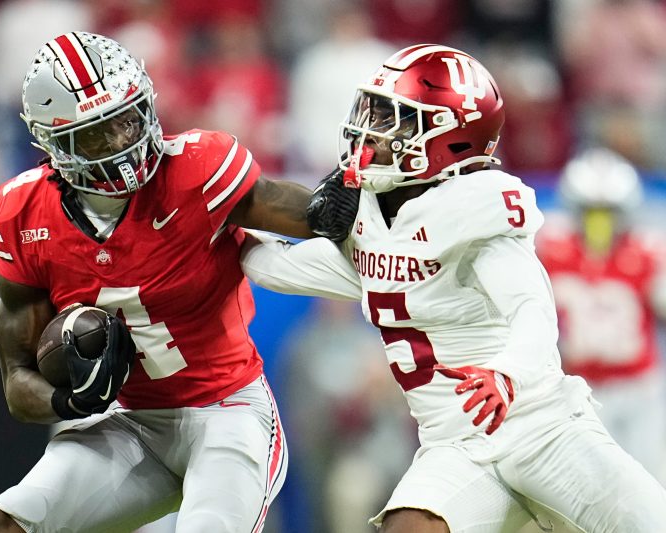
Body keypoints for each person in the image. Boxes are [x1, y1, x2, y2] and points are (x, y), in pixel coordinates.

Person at [241, 44, 666, 532]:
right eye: (372, 112)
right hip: (455, 444)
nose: (370, 130)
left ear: (449, 135)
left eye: (393, 118)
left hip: (541, 429)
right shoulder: (370, 220)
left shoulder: (474, 207)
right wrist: (209, 222)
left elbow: (532, 310)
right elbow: (277, 266)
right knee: (410, 527)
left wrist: (506, 373)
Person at [0, 31, 315, 533]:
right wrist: (69, 401)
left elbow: (313, 214)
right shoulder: (21, 212)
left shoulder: (196, 168)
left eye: (126, 119)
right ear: (55, 144)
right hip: (127, 421)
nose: (121, 142)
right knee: (8, 524)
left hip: (228, 410)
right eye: (97, 134)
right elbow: (17, 381)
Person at [537, 147, 666, 481]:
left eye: (608, 212)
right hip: (579, 388)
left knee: (648, 479)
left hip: (638, 388)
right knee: (587, 482)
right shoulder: (553, 248)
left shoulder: (646, 252)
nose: (599, 222)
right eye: (590, 212)